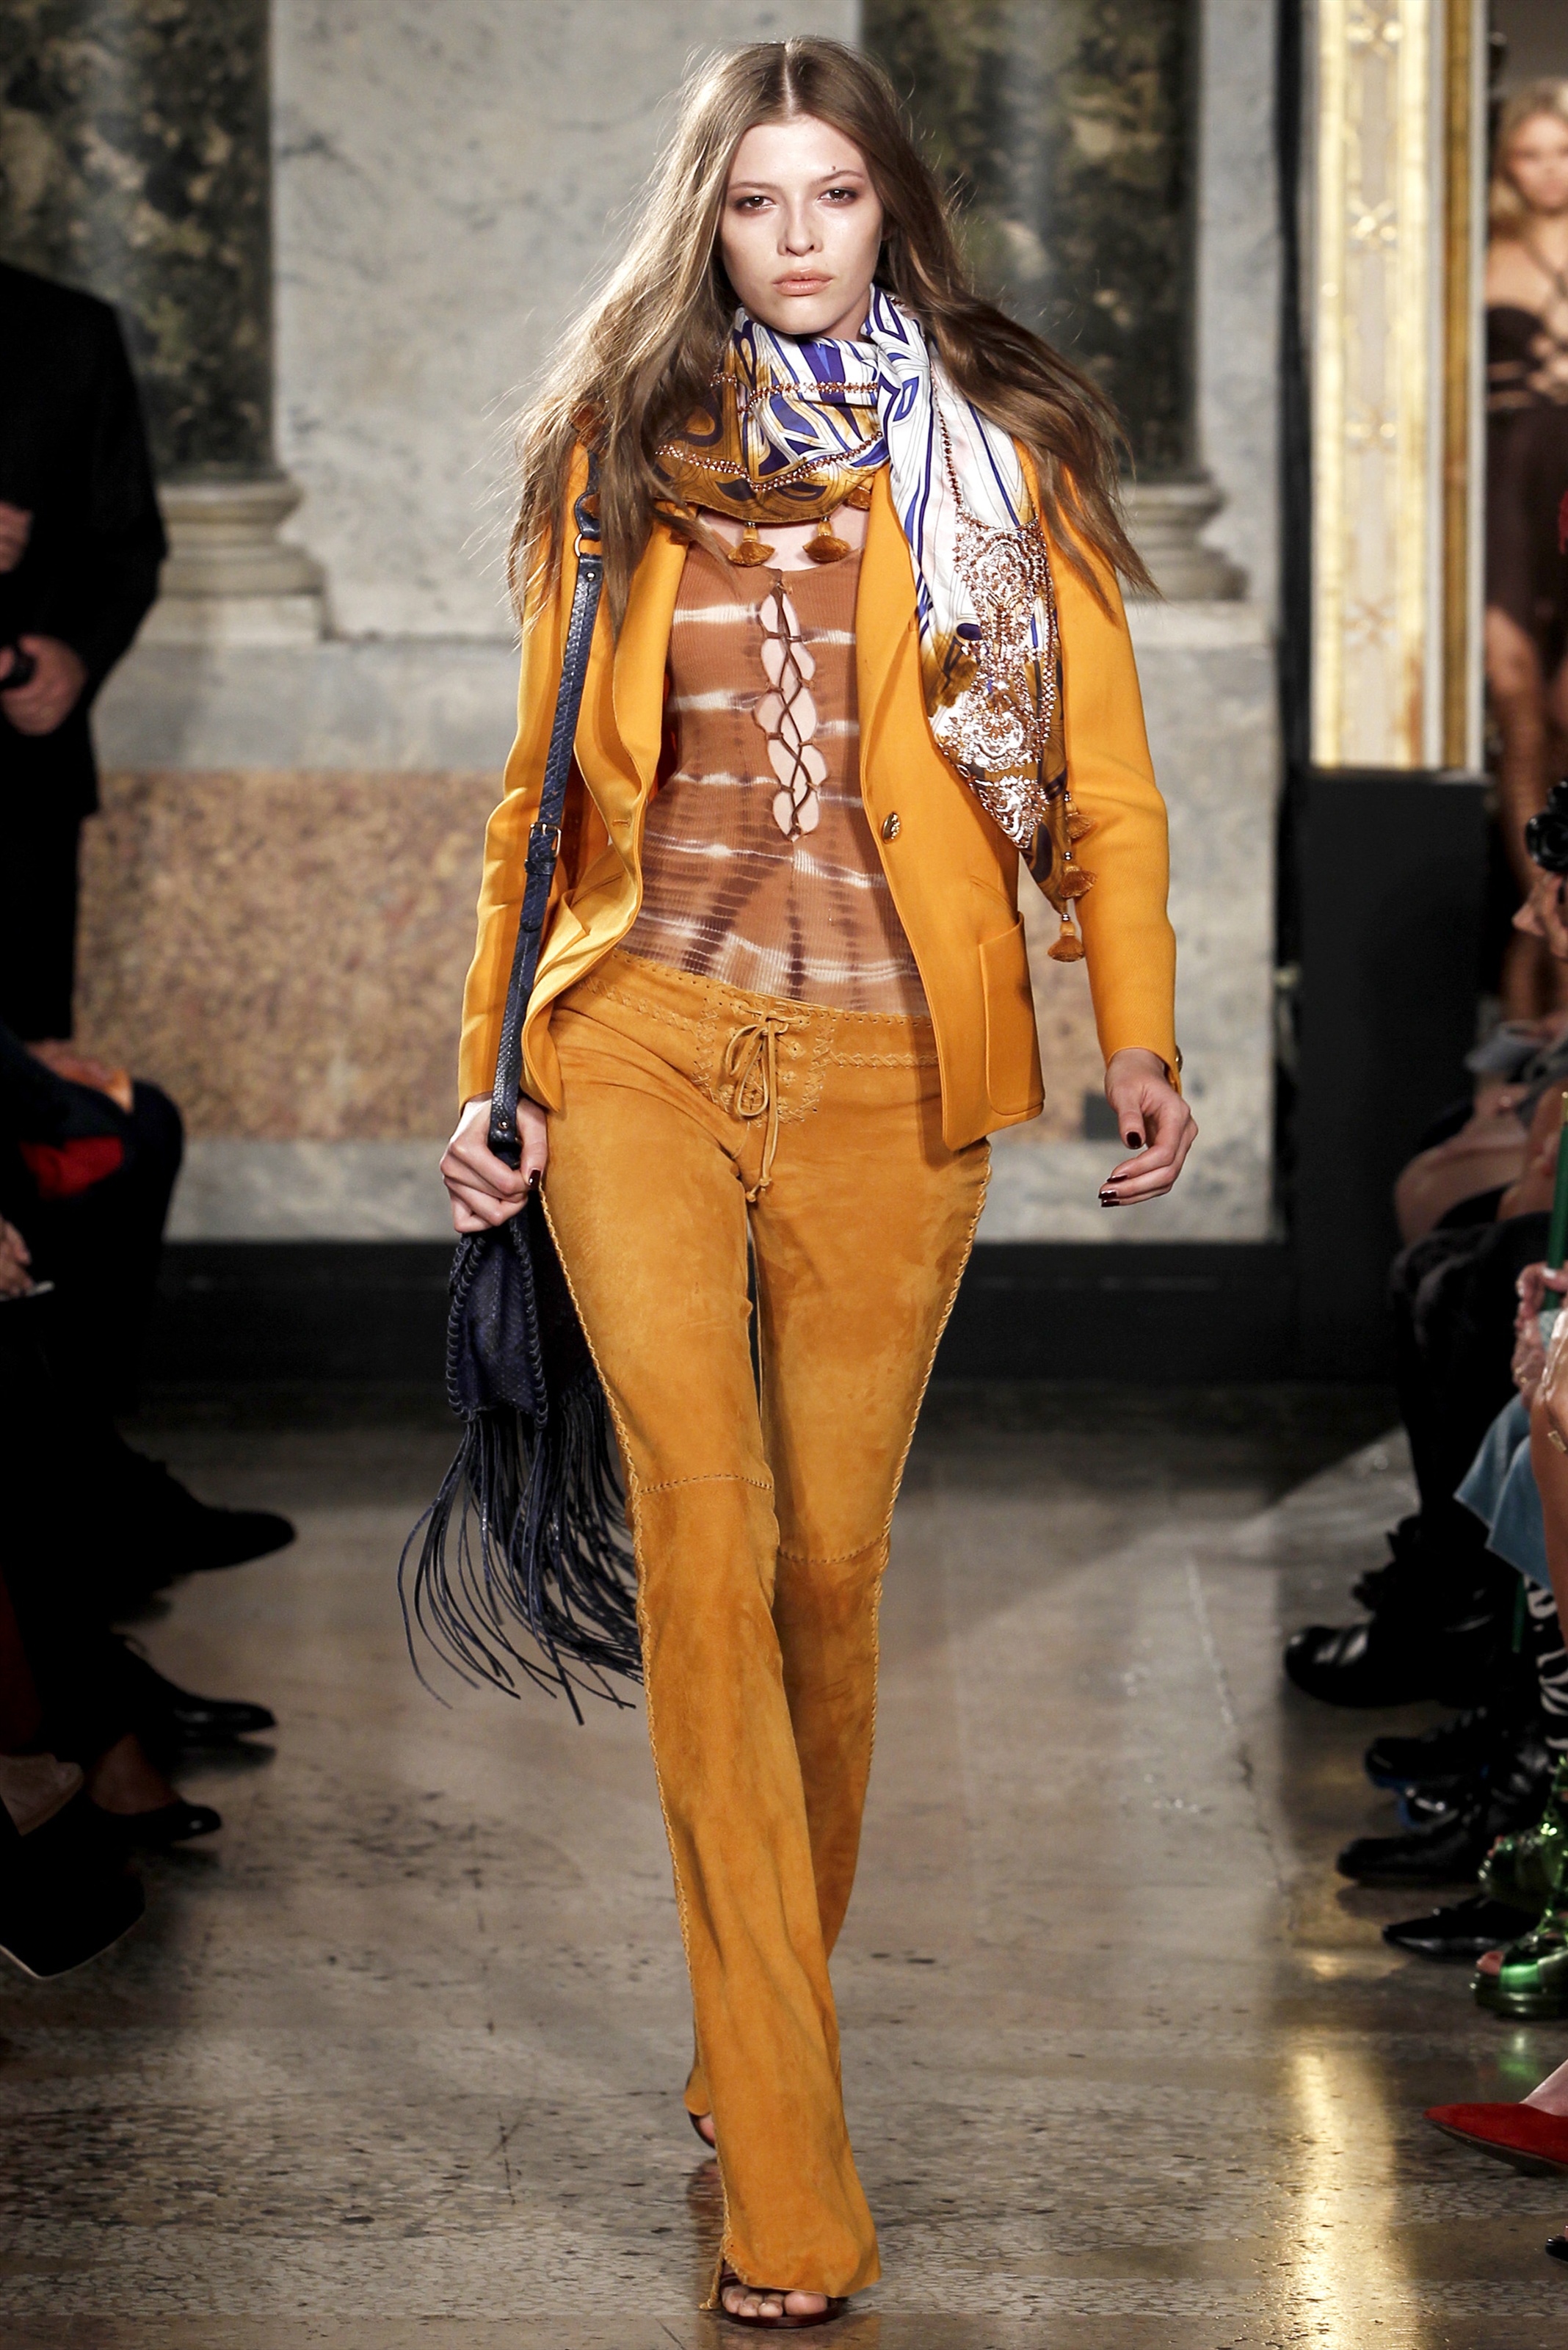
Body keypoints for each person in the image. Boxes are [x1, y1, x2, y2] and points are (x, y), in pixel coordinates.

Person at [438, 40, 1192, 2327]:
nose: (794, 235)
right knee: (706, 1543)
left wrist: (1137, 1027)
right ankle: (788, 2148)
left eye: (834, 195)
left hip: (894, 1064)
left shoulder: (1005, 457)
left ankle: (750, 2013)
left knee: (827, 1579)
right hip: (640, 1040)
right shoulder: (614, 452)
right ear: (710, 222)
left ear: (890, 213)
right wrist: (484, 1075)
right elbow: (535, 799)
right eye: (755, 199)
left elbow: (1104, 783)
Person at [0, 260, 165, 1043]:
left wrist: (75, 659)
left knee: (25, 1081)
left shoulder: (66, 330)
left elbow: (127, 545)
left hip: (16, 784)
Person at [1484, 82, 1568, 1018]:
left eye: (1562, 151)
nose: (1548, 171)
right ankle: (1538, 901)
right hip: (1507, 490)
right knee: (1517, 708)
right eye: (1531, 153)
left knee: (1564, 706)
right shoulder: (1483, 255)